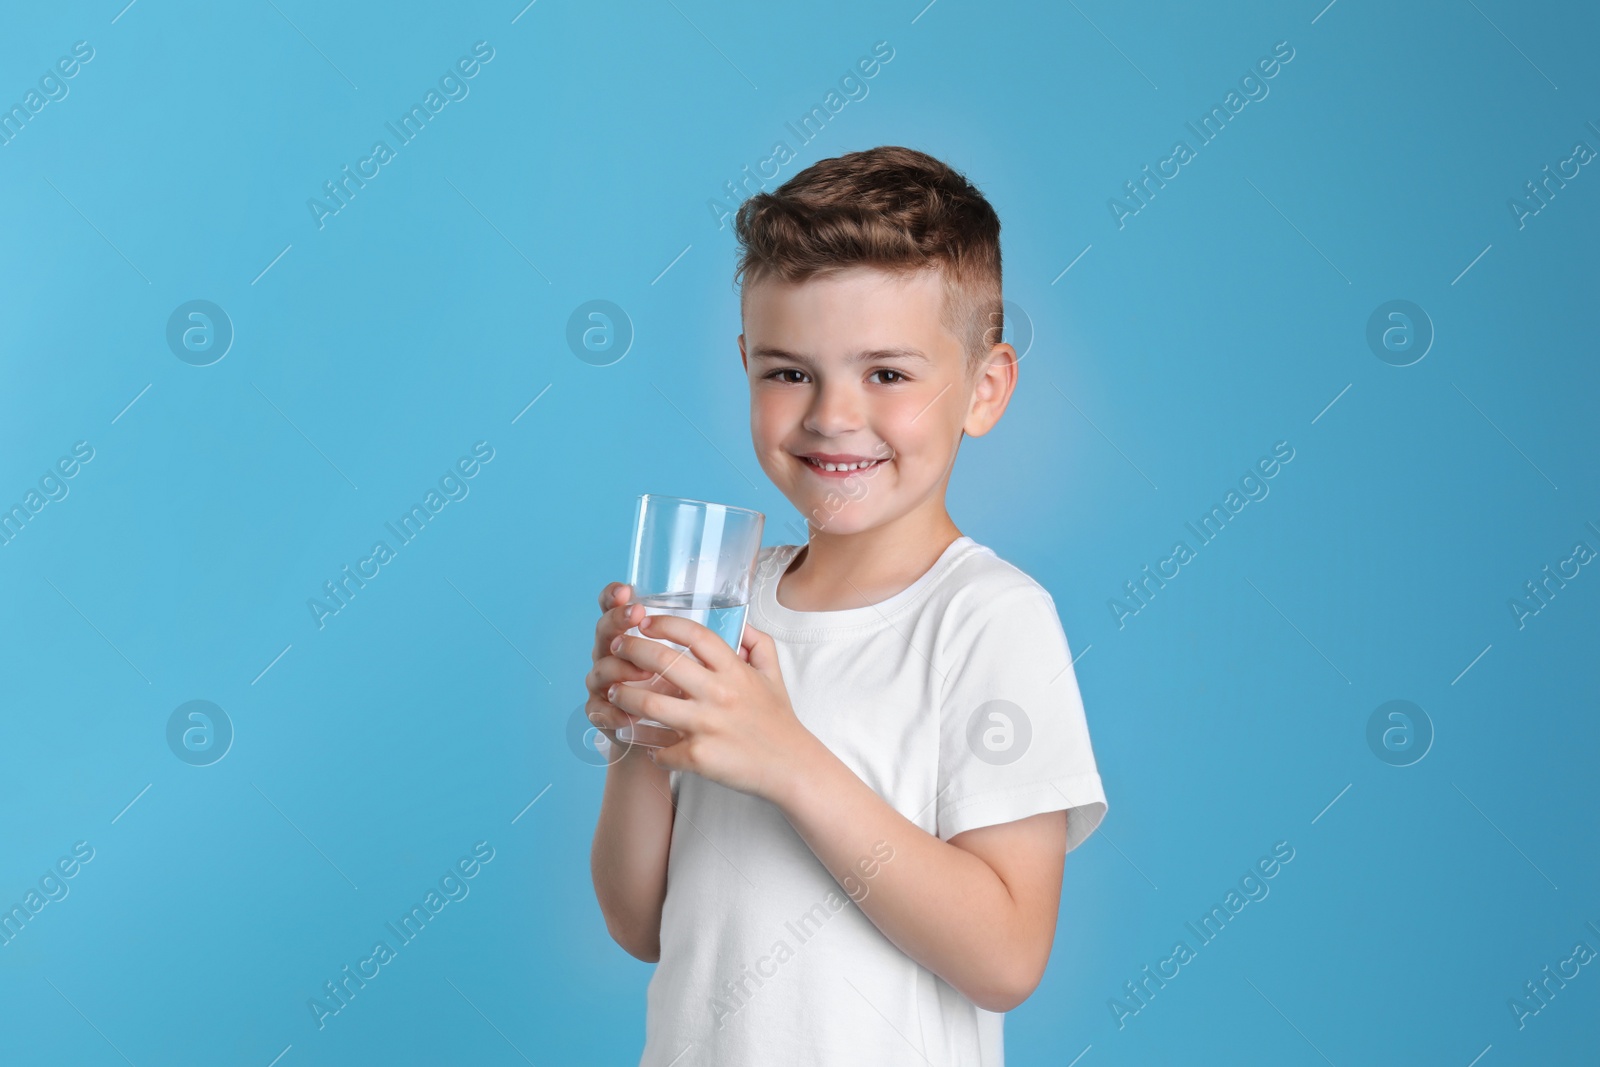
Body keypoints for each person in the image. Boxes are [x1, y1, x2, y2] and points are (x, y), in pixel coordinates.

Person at [584, 144, 1108, 1066]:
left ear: (983, 390)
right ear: (745, 364)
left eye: (888, 375)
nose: (831, 415)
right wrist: (637, 743)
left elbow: (1008, 954)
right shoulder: (723, 599)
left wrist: (785, 757)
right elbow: (643, 924)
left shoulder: (988, 617)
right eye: (789, 372)